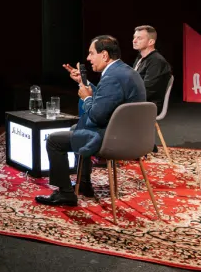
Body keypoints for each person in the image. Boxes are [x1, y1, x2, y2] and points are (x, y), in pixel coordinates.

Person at [36, 36, 147, 207]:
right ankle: (85, 184)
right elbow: (107, 100)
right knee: (76, 127)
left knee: (54, 141)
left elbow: (97, 116)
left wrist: (87, 99)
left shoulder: (112, 77)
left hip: (115, 139)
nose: (88, 58)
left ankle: (65, 193)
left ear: (104, 55)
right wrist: (83, 82)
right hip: (133, 137)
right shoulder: (124, 71)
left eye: (91, 53)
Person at [131, 24, 173, 112]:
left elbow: (147, 90)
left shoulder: (156, 61)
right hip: (136, 101)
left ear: (151, 42)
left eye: (139, 38)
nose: (134, 41)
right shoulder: (140, 58)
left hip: (148, 105)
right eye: (134, 37)